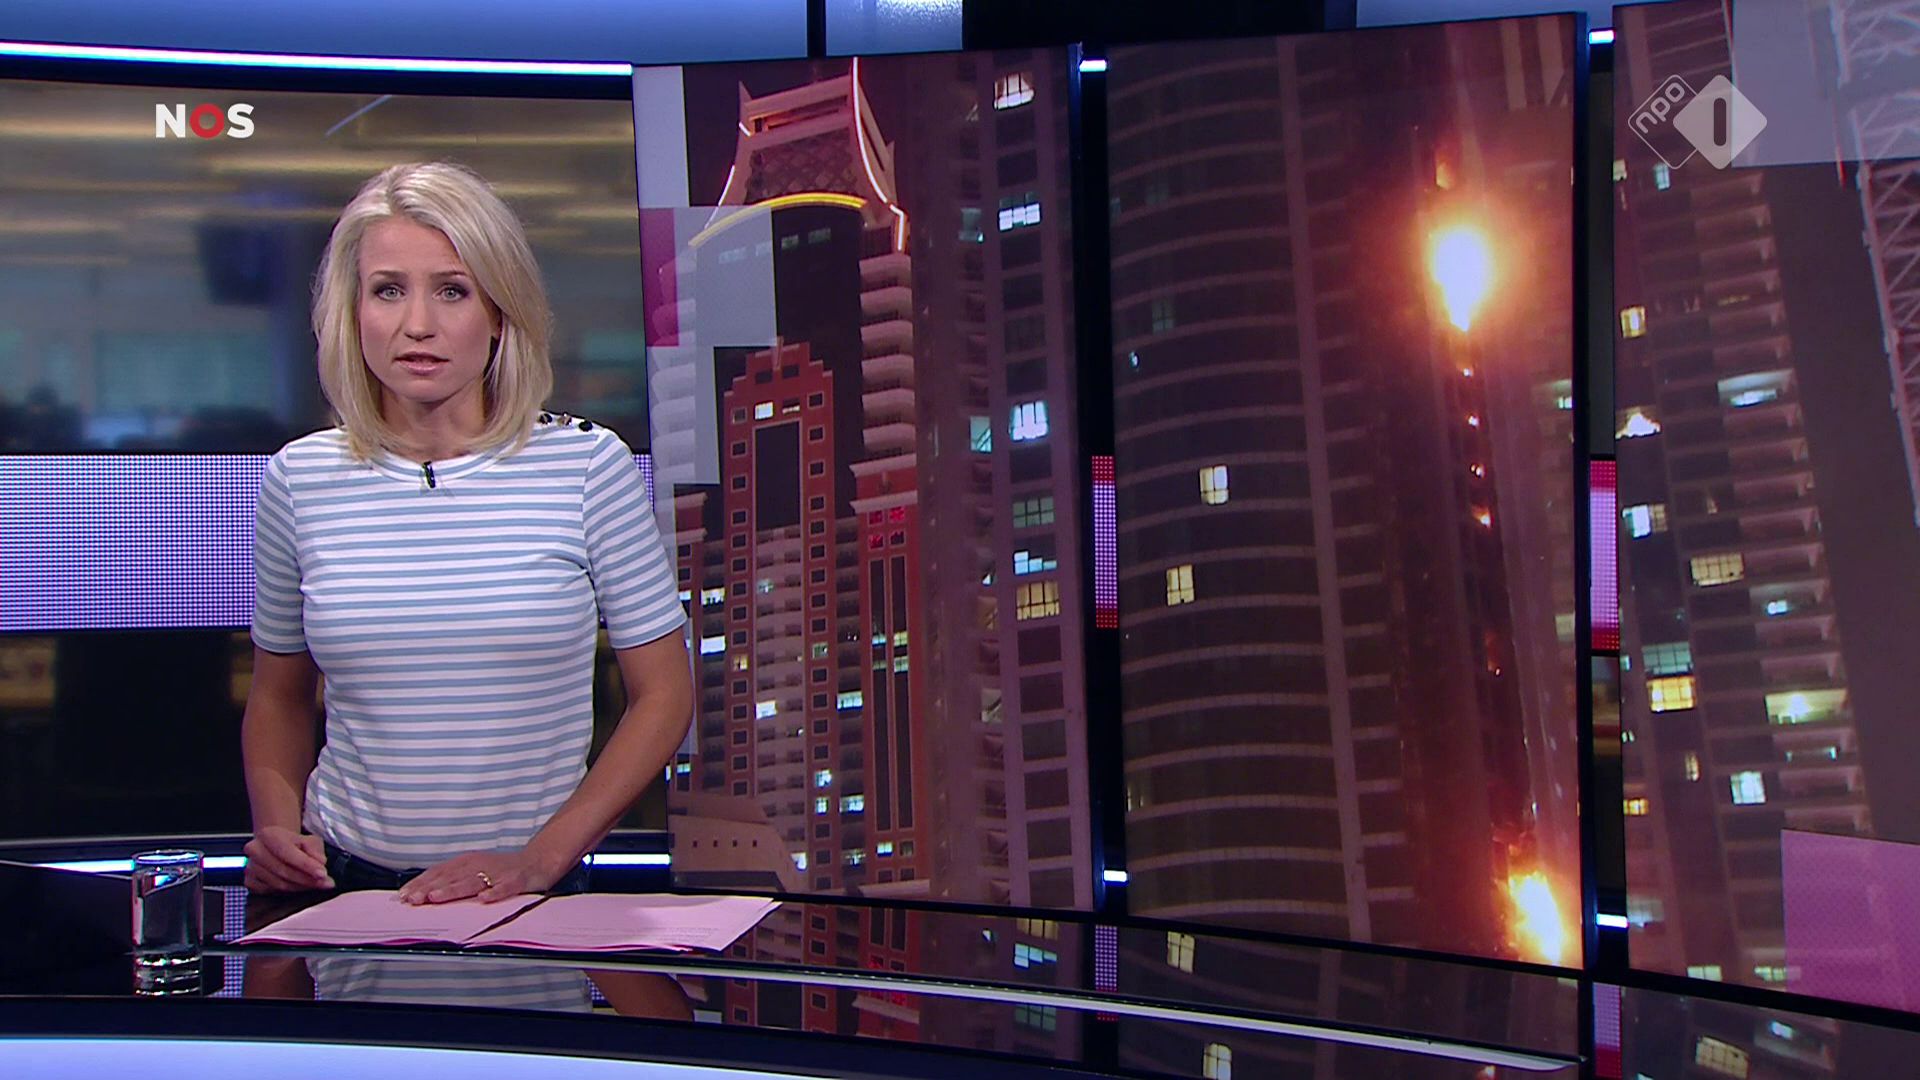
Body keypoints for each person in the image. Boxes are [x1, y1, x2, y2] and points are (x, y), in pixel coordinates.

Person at [240, 161, 691, 904]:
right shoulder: (300, 478)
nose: (418, 324)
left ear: (499, 311)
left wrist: (541, 860)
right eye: (388, 290)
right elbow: (280, 696)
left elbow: (664, 696)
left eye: (452, 290)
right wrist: (276, 829)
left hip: (529, 895)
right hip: (344, 893)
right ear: (353, 312)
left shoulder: (587, 466)